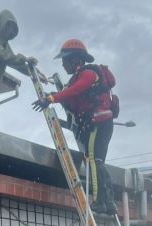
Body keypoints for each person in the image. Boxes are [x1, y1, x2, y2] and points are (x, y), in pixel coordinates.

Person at [32, 39, 117, 215]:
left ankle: (101, 201)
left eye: (65, 61)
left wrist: (51, 99)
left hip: (98, 123)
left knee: (93, 161)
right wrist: (53, 95)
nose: (63, 65)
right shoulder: (79, 77)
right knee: (96, 161)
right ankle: (108, 203)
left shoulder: (88, 74)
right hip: (97, 123)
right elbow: (70, 97)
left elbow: (76, 90)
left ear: (75, 59)